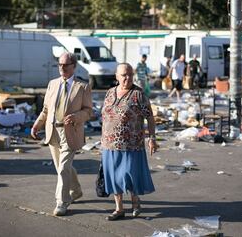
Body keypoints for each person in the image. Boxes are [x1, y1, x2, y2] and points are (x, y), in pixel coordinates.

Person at [31, 52, 93, 216]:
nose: (62, 68)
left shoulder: (83, 86)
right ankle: (77, 190)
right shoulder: (52, 84)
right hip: (52, 131)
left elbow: (88, 112)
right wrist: (37, 124)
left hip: (71, 132)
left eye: (65, 65)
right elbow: (45, 109)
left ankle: (62, 202)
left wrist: (76, 117)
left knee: (64, 167)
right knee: (61, 168)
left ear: (74, 66)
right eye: (60, 64)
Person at [101, 63, 158, 221]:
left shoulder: (138, 94)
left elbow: (150, 117)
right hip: (109, 144)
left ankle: (135, 201)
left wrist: (152, 138)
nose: (128, 78)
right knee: (113, 177)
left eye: (130, 75)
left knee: (129, 175)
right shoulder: (110, 93)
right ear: (116, 76)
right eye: (124, 75)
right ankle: (119, 208)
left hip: (131, 144)